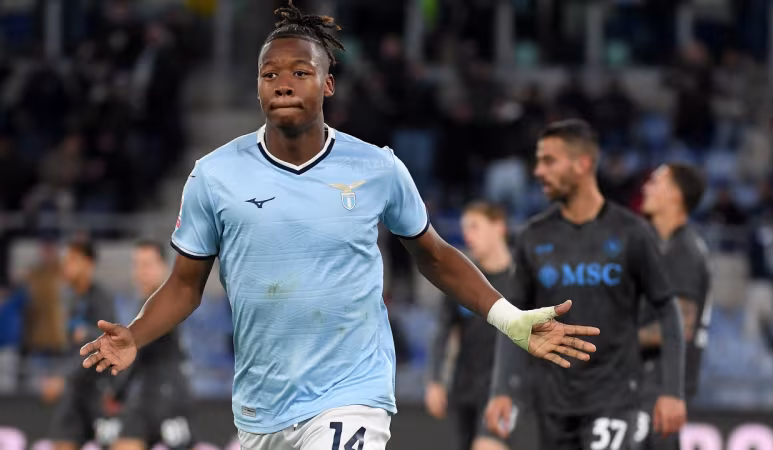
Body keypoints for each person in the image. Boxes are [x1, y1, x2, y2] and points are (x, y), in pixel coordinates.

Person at [79, 3, 600, 450]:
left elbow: (436, 256)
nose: (283, 83)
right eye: (269, 74)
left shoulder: (377, 168)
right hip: (261, 406)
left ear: (327, 83)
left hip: (353, 392)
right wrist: (134, 335)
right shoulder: (214, 176)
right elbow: (184, 286)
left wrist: (511, 319)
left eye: (300, 72)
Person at [485, 119, 687, 450]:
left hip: (616, 398)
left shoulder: (631, 233)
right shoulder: (533, 236)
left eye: (549, 161)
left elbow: (669, 309)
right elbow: (513, 319)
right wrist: (501, 390)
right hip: (553, 402)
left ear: (582, 164)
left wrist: (672, 392)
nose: (538, 171)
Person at [425, 202, 528, 450]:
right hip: (466, 387)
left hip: (507, 389)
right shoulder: (462, 279)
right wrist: (435, 379)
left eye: (474, 226)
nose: (467, 235)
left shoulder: (523, 280)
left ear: (499, 227)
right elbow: (443, 331)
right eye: (464, 229)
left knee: (487, 446)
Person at [639, 163, 711, 450]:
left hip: (659, 390)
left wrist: (619, 339)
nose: (646, 187)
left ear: (676, 196)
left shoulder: (683, 251)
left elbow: (680, 327)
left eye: (656, 182)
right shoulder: (661, 246)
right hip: (648, 387)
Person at [111, 240, 194, 450]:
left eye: (147, 264)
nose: (140, 272)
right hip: (148, 396)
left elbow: (133, 353)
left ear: (163, 268)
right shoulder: (147, 304)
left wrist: (115, 391)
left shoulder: (165, 302)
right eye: (137, 264)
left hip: (169, 399)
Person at [49, 240, 117, 450]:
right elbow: (70, 347)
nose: (66, 265)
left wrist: (64, 377)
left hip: (99, 389)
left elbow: (105, 343)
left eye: (73, 260)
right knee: (62, 441)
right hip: (75, 391)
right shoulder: (70, 300)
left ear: (88, 264)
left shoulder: (102, 299)